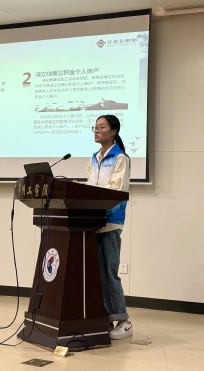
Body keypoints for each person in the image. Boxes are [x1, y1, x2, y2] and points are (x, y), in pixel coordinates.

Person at [87, 114, 132, 340]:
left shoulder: (120, 158)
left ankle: (124, 321)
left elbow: (116, 191)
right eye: (95, 127)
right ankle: (105, 318)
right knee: (98, 274)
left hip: (111, 220)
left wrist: (93, 199)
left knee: (109, 271)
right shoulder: (94, 158)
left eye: (102, 127)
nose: (97, 130)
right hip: (93, 220)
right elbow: (91, 187)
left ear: (113, 132)